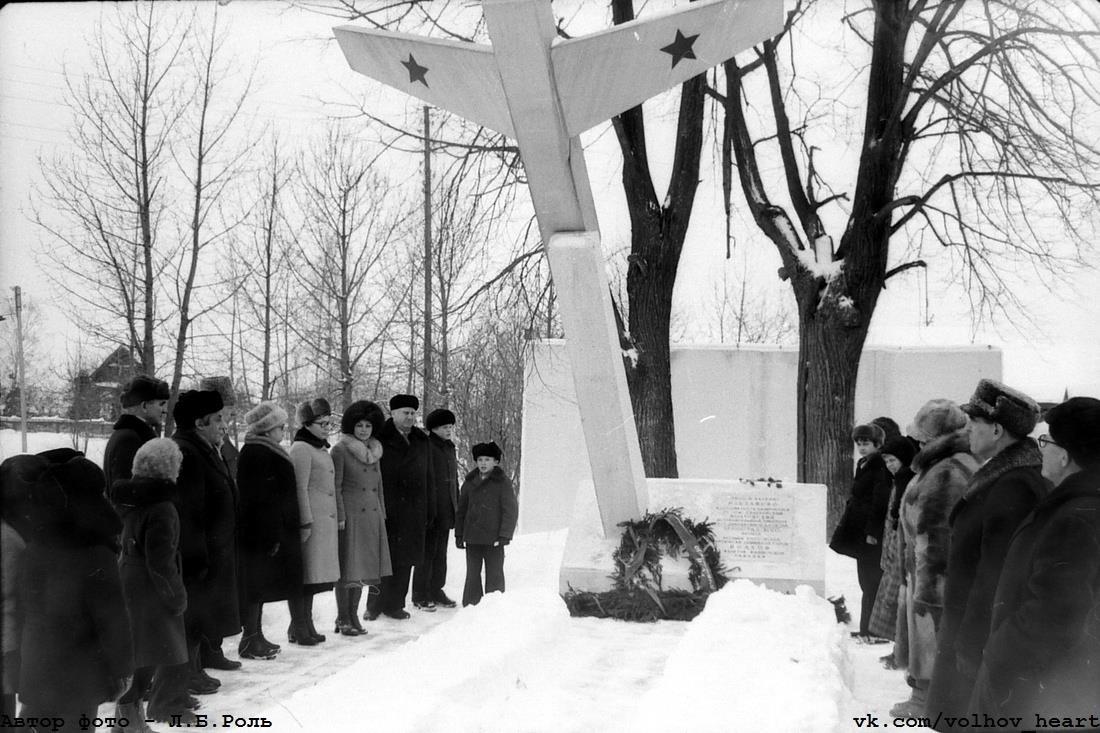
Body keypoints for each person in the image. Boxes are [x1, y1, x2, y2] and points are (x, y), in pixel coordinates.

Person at [969, 397, 1100, 724]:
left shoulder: (1075, 516)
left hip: (1038, 688)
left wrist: (999, 652)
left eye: (1047, 441)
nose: (1041, 448)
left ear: (1066, 454)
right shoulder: (1076, 505)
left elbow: (1055, 614)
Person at [926, 380, 1046, 731]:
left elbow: (996, 575)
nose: (968, 432)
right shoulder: (1005, 473)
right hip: (971, 631)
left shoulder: (1014, 485)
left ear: (996, 429)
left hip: (976, 638)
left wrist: (971, 644)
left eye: (974, 424)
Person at [17, 455, 134, 728]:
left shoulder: (35, 545)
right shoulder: (95, 553)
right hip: (79, 671)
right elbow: (112, 618)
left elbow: (27, 607)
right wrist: (123, 668)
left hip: (38, 662)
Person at [890, 400, 978, 720]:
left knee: (930, 634)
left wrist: (928, 588)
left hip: (933, 572)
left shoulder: (948, 471)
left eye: (923, 436)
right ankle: (923, 693)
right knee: (925, 634)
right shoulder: (941, 465)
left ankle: (927, 701)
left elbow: (938, 532)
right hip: (924, 567)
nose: (918, 441)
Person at [112, 438, 193, 728]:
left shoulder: (127, 498)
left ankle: (126, 716)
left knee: (137, 654)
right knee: (151, 654)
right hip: (151, 590)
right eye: (178, 465)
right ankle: (130, 720)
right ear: (168, 468)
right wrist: (176, 596)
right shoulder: (162, 507)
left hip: (128, 579)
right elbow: (161, 560)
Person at [172, 389, 241, 695]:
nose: (223, 425)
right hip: (198, 555)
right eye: (218, 419)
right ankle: (188, 673)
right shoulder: (187, 452)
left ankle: (196, 668)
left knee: (201, 615)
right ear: (200, 423)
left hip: (214, 550)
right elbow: (189, 513)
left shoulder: (204, 447)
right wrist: (199, 556)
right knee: (193, 616)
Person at [237, 401, 304, 656]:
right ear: (267, 429)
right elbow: (260, 498)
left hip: (271, 530)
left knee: (261, 586)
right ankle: (250, 638)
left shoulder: (265, 450)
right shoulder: (257, 453)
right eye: (279, 427)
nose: (283, 431)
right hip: (261, 532)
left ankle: (256, 636)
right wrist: (271, 534)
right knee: (255, 586)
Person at [369, 394, 434, 621]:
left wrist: (429, 508)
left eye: (413, 413)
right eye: (405, 412)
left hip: (414, 509)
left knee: (405, 560)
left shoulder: (421, 440)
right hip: (388, 506)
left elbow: (429, 476)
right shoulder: (380, 438)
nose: (410, 417)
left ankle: (395, 604)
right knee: (382, 560)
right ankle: (374, 605)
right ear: (393, 413)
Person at [330, 400, 391, 635]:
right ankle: (343, 617)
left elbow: (379, 486)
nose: (363, 430)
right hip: (351, 515)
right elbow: (336, 486)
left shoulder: (375, 450)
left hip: (371, 516)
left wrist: (381, 513)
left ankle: (353, 616)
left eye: (367, 425)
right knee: (348, 569)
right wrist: (340, 516)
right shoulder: (340, 450)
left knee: (363, 569)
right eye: (359, 425)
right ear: (350, 426)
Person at [829, 422, 893, 640]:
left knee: (871, 580)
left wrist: (873, 532)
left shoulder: (880, 466)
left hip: (870, 532)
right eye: (859, 443)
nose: (862, 447)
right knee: (865, 580)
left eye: (866, 443)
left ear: (877, 444)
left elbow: (880, 501)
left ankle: (873, 629)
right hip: (860, 529)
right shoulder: (864, 463)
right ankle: (867, 628)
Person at [289, 398, 339, 643]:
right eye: (321, 423)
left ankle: (304, 624)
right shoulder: (301, 448)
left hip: (323, 522)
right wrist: (305, 521)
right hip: (311, 523)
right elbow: (299, 488)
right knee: (304, 577)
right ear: (307, 424)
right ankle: (299, 627)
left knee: (312, 578)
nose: (326, 427)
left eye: (329, 422)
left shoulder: (319, 447)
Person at [868, 435, 917, 667]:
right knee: (892, 603)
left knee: (899, 603)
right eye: (886, 461)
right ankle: (898, 649)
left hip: (902, 550)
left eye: (893, 460)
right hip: (892, 547)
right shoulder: (897, 480)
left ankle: (902, 652)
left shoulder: (908, 480)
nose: (890, 466)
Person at [455, 441, 518, 607]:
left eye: (487, 459)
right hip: (473, 537)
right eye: (480, 459)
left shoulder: (502, 482)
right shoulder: (469, 482)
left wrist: (505, 534)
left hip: (494, 538)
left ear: (496, 462)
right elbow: (461, 510)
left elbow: (510, 511)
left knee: (495, 573)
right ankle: (471, 605)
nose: (483, 463)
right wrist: (459, 534)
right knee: (472, 573)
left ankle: (494, 606)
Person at [413, 408, 459, 610]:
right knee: (427, 553)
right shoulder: (427, 446)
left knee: (441, 554)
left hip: (447, 508)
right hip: (431, 509)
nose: (448, 430)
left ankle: (436, 589)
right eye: (444, 427)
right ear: (433, 429)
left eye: (450, 427)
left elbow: (453, 480)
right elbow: (423, 479)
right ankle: (420, 594)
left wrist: (455, 505)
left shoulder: (449, 447)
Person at [104, 375, 170, 500]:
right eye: (161, 404)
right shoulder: (130, 439)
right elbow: (125, 495)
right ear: (144, 406)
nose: (165, 410)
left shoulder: (127, 434)